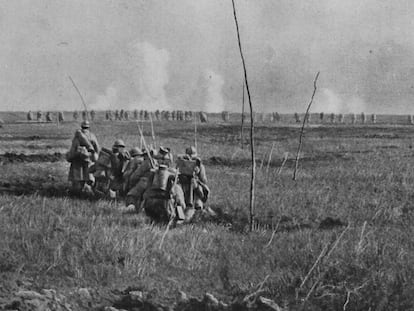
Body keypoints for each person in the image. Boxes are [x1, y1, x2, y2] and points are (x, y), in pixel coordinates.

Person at [66, 120, 99, 196]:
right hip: (88, 159)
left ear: (81, 126)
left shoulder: (77, 136)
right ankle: (89, 192)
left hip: (77, 160)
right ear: (88, 127)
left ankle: (78, 192)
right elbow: (96, 148)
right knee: (89, 177)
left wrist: (71, 156)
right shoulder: (92, 135)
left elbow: (73, 148)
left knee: (78, 178)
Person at [177, 146, 210, 211]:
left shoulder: (198, 165)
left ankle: (196, 205)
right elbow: (203, 179)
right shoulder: (183, 163)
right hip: (186, 183)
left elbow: (203, 180)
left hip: (189, 184)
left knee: (199, 191)